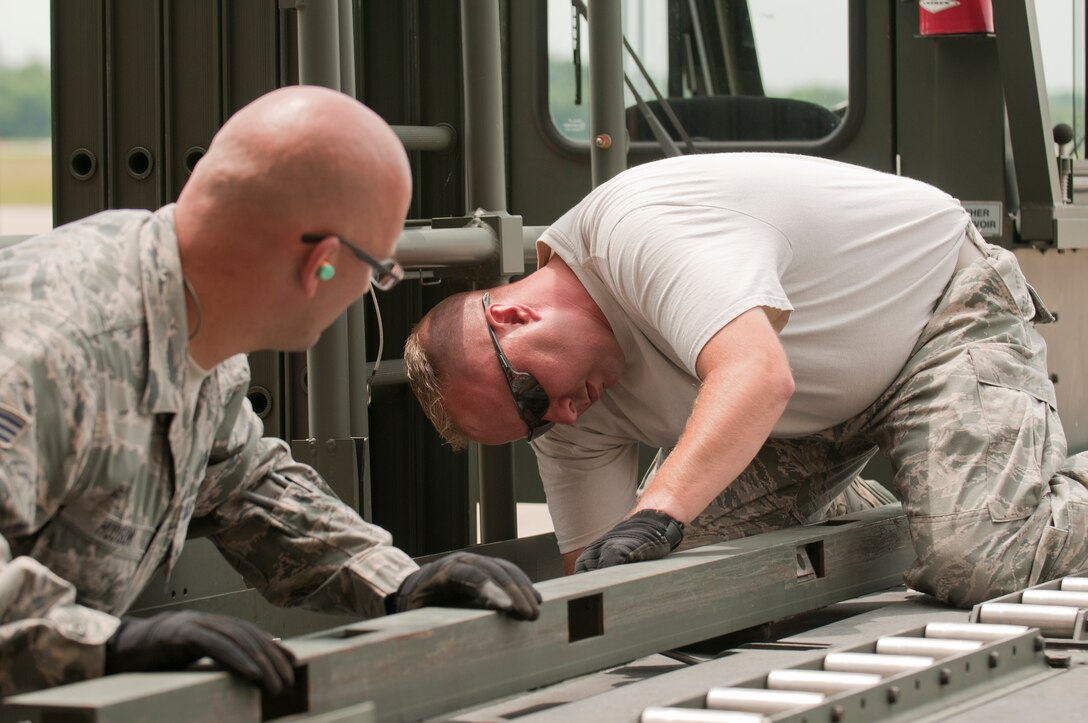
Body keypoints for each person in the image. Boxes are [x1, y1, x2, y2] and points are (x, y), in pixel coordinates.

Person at [0, 86, 540, 698]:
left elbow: (247, 488)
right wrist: (107, 646)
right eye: (379, 270)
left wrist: (395, 583)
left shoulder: (194, 321)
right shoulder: (48, 345)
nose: (369, 290)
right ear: (324, 265)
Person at [405, 152, 1088, 609]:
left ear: (516, 313)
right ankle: (923, 497)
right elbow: (604, 577)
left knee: (980, 562)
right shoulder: (568, 416)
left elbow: (756, 374)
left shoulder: (638, 231)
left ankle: (980, 509)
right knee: (691, 577)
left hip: (936, 315)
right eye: (532, 422)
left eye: (531, 395)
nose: (558, 415)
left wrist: (657, 512)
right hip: (807, 411)